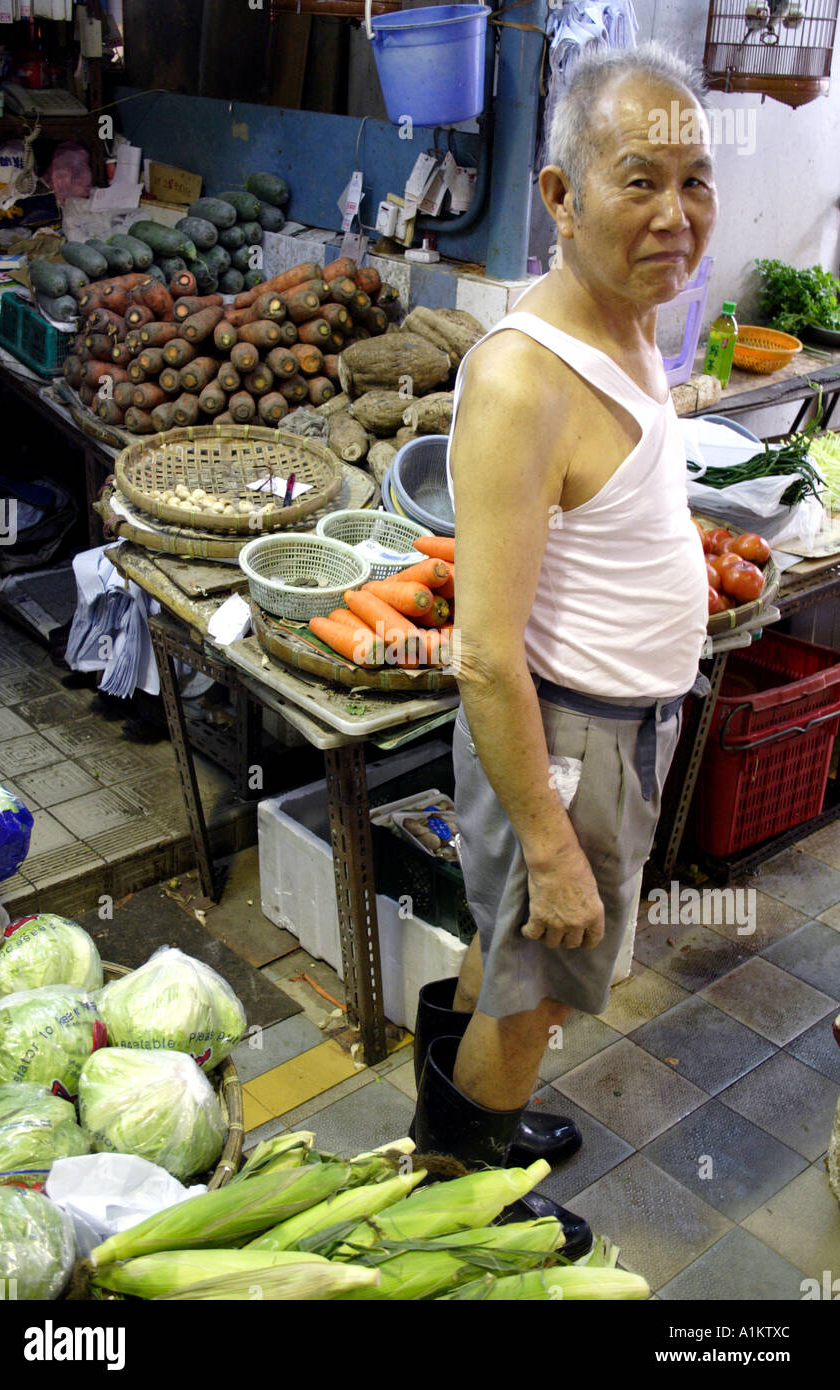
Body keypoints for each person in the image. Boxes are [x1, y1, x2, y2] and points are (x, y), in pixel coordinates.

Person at [410, 43, 717, 1240]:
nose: (673, 214)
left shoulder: (629, 325)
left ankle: (446, 1146)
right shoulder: (520, 380)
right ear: (558, 196)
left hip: (608, 724)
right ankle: (463, 1218)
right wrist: (548, 838)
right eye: (636, 179)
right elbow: (482, 652)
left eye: (694, 181)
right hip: (569, 739)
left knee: (510, 961)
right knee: (535, 989)